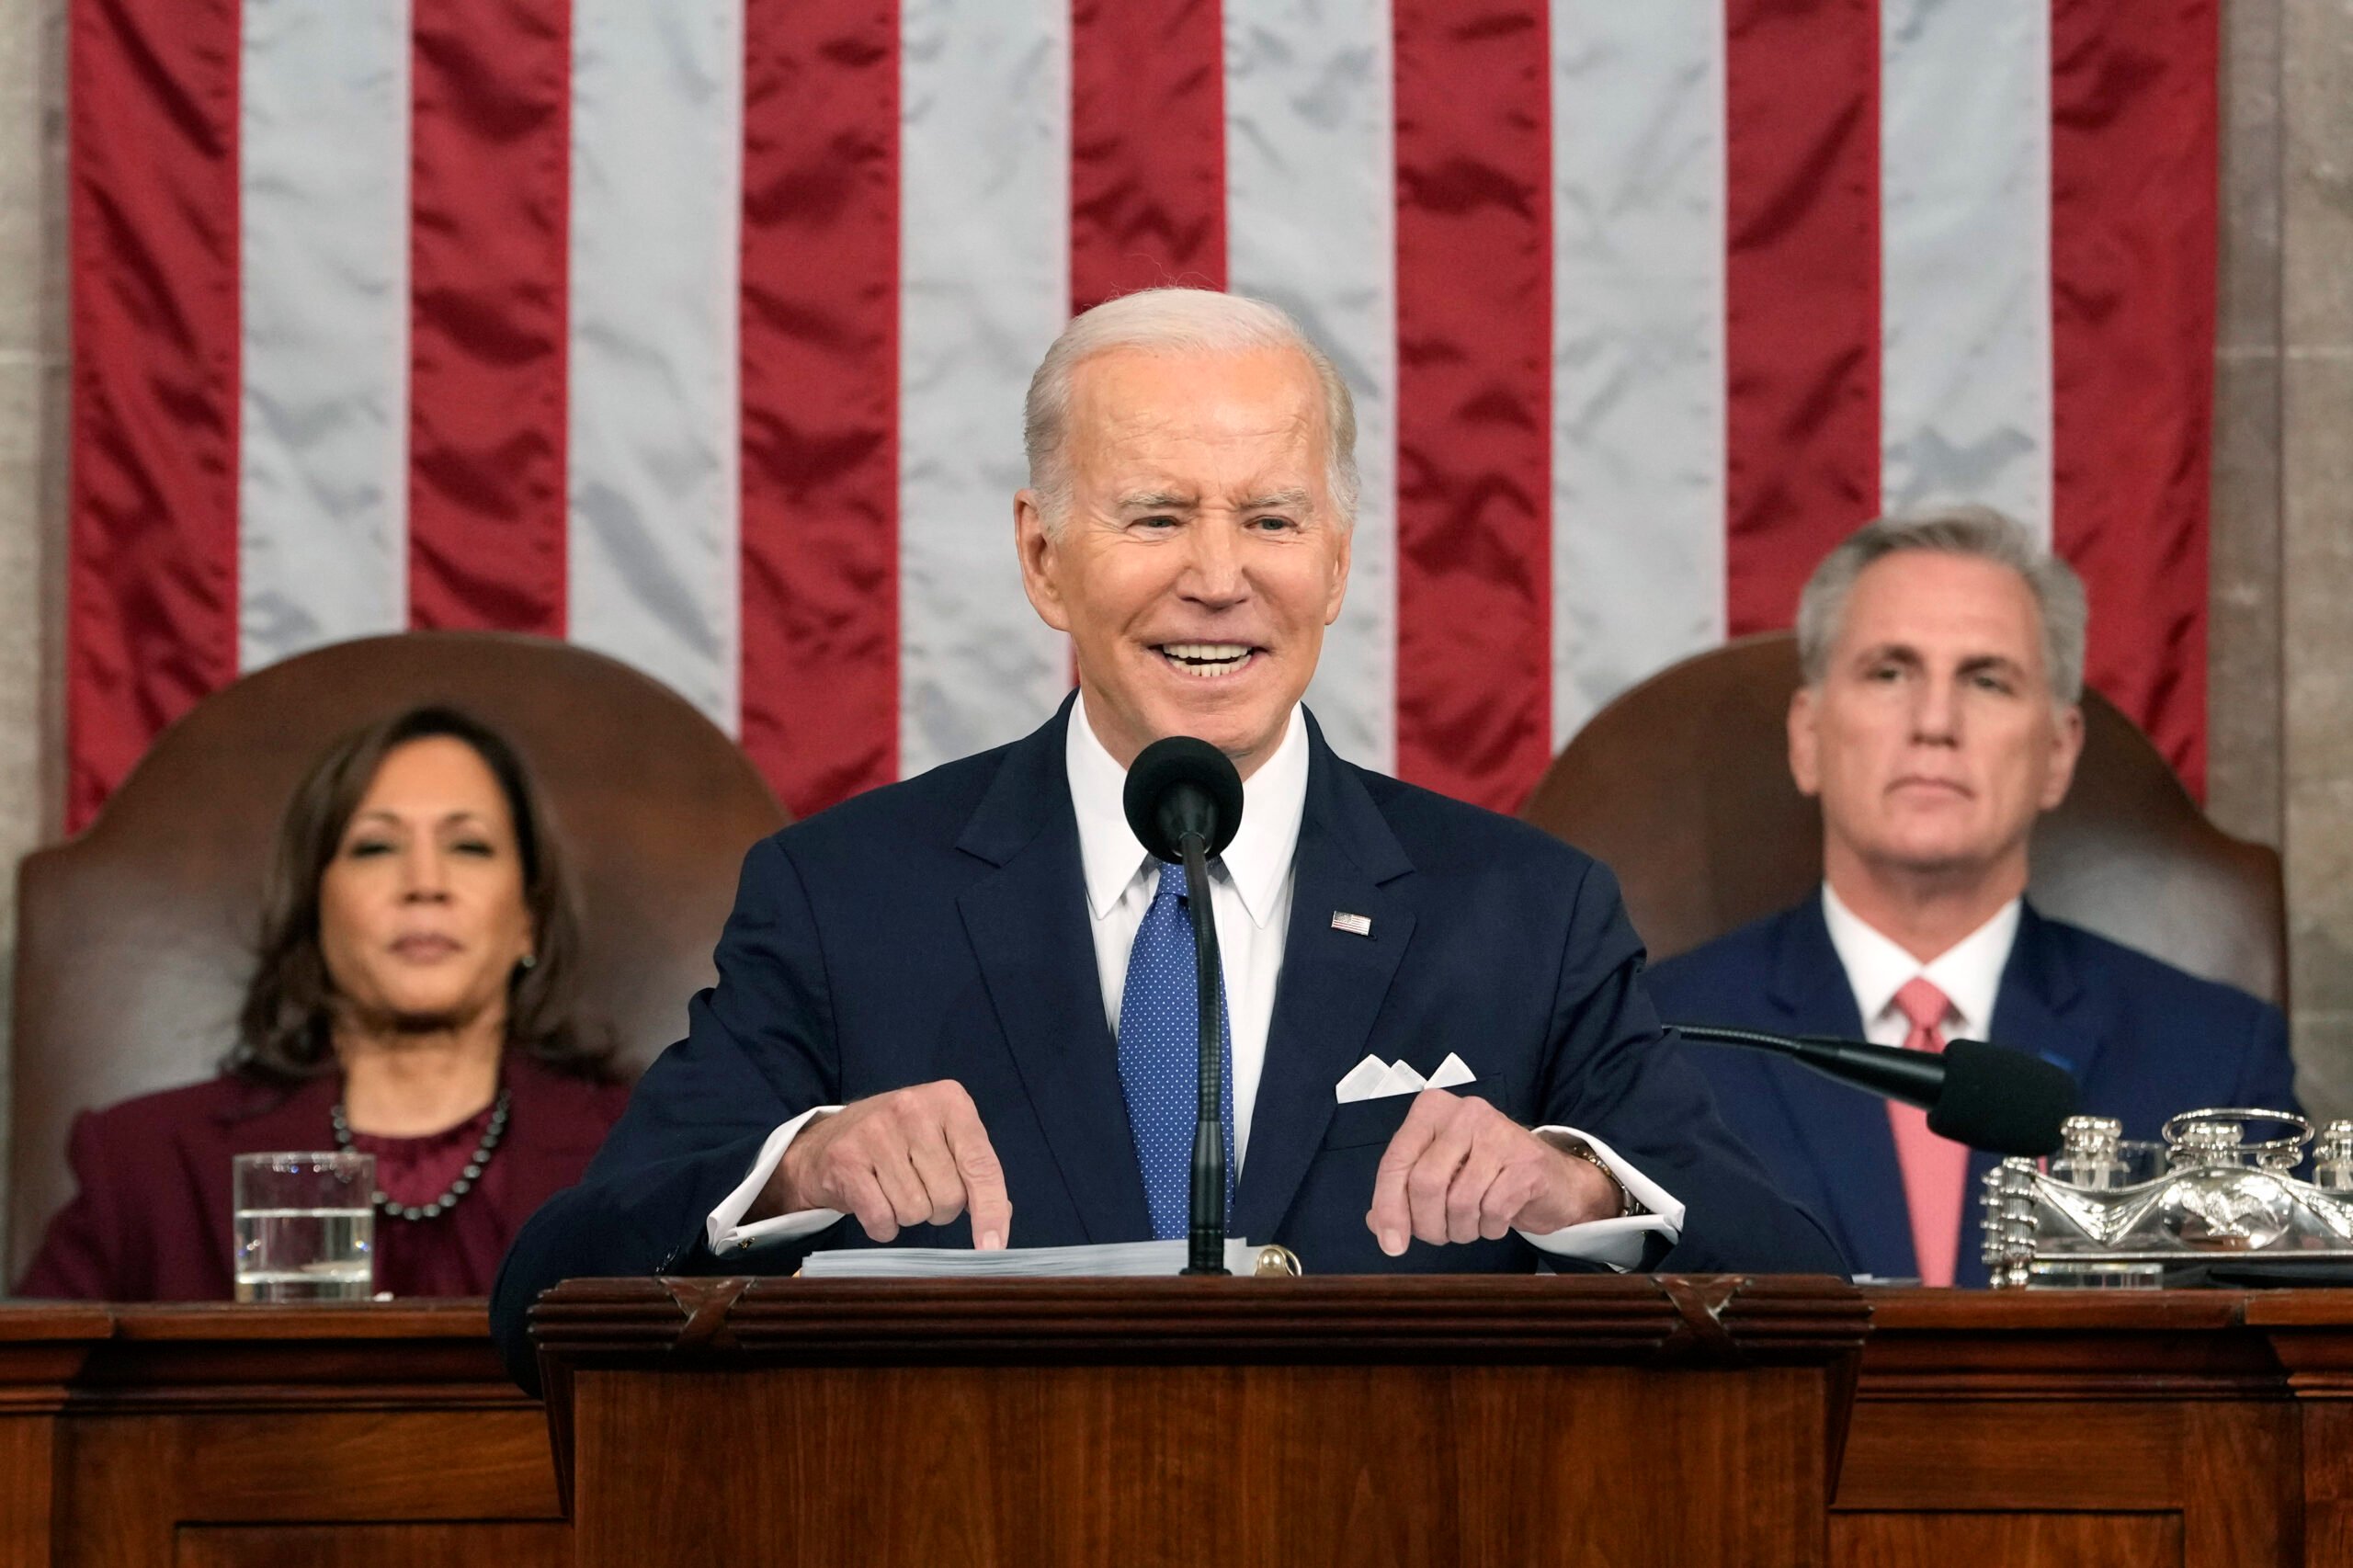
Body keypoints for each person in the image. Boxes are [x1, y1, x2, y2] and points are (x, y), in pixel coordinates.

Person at [492, 288, 1841, 1379]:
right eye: (1155, 515)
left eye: (1269, 517)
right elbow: (547, 1293)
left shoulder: (1526, 911)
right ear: (1042, 558)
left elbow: (1795, 1285)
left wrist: (1571, 1186)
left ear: (1337, 557)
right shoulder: (846, 898)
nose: (1218, 574)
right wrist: (795, 1164)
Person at [1645, 509, 2298, 1288]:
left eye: (1986, 680)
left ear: (2057, 753)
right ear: (1808, 736)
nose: (1934, 723)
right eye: (1890, 673)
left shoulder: (2212, 1057)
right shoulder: (1658, 1039)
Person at [16, 705, 634, 1300]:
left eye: (469, 847)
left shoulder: (652, 1157)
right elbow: (31, 1397)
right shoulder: (146, 1165)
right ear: (314, 909)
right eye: (375, 847)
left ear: (529, 916)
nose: (424, 883)